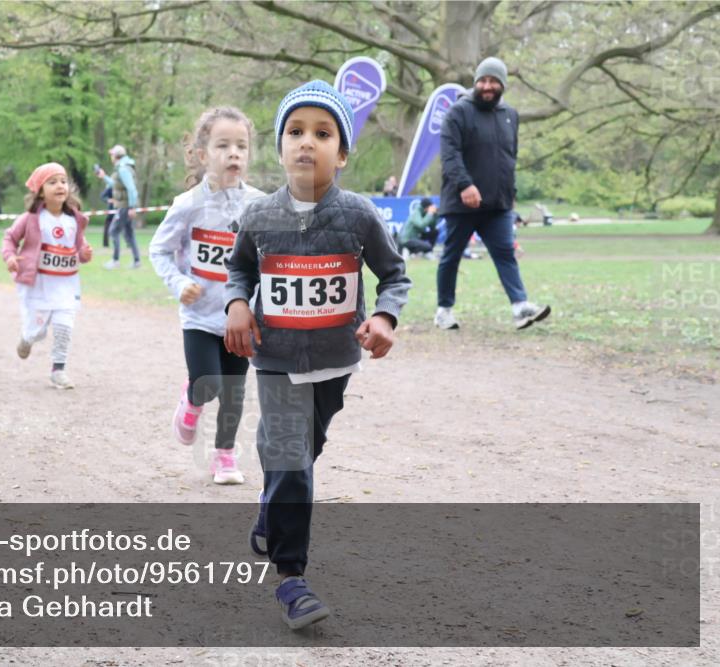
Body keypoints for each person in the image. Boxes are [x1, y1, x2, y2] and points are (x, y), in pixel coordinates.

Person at [225, 80, 411, 629]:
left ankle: (270, 507)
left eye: (322, 133)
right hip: (276, 356)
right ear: (280, 147)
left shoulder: (358, 215)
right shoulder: (259, 216)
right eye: (295, 131)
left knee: (305, 449)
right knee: (289, 457)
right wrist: (238, 302)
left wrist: (384, 316)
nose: (308, 142)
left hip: (335, 359)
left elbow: (394, 275)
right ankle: (291, 580)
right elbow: (240, 266)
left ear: (343, 153)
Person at [149, 106, 266, 485]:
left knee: (234, 391)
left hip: (241, 316)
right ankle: (191, 400)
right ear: (202, 156)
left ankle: (225, 458)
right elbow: (159, 251)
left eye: (241, 146)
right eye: (223, 145)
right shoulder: (188, 205)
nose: (234, 153)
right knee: (208, 383)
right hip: (200, 315)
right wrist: (180, 284)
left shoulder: (260, 206)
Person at [435, 57, 550, 331]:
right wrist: (465, 185)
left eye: (493, 81)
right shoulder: (458, 113)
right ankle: (443, 310)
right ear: (476, 83)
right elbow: (449, 156)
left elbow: (509, 157)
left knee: (505, 254)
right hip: (462, 203)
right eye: (483, 80)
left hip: (498, 204)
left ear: (502, 85)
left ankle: (520, 307)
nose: (487, 86)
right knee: (452, 256)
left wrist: (511, 194)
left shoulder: (510, 115)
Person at [2, 163, 93, 389]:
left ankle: (58, 370)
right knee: (38, 330)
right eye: (52, 182)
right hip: (38, 284)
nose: (60, 186)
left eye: (63, 181)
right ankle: (27, 337)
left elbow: (80, 250)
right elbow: (9, 238)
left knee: (65, 326)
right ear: (41, 191)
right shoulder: (30, 219)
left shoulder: (75, 220)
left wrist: (85, 253)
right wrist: (10, 257)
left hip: (66, 284)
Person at [105, 144, 141, 269]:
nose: (111, 157)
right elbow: (115, 184)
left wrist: (132, 207)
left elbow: (131, 189)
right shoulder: (124, 167)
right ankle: (137, 261)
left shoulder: (123, 169)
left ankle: (115, 261)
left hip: (125, 206)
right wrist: (103, 176)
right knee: (129, 234)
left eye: (111, 154)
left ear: (116, 156)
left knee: (113, 231)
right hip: (125, 206)